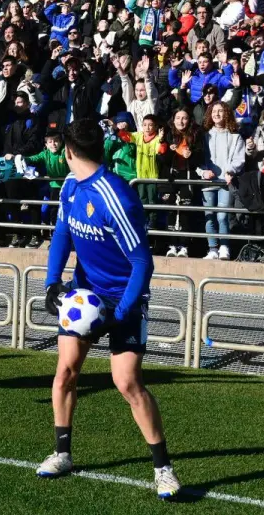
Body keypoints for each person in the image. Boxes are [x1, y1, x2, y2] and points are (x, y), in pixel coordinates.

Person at [36, 119, 179, 499]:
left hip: (124, 298)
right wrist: (52, 282)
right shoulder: (70, 186)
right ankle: (62, 453)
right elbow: (62, 235)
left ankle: (164, 469)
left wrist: (121, 312)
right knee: (65, 372)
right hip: (84, 296)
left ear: (69, 151)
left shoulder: (116, 196)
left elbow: (142, 263)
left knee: (127, 382)